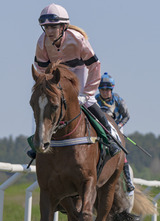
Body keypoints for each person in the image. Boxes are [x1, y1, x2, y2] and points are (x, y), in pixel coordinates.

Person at [29, 3, 121, 158]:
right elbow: (41, 69)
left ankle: (110, 137)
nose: (49, 31)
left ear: (64, 26)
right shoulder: (41, 42)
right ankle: (39, 140)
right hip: (56, 74)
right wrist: (46, 88)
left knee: (87, 101)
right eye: (46, 27)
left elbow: (94, 66)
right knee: (44, 102)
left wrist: (87, 93)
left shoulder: (77, 39)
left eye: (53, 27)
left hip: (80, 71)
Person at [96, 72, 134, 192]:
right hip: (99, 126)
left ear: (111, 89)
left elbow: (126, 116)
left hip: (116, 126)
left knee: (122, 152)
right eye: (102, 89)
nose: (105, 92)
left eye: (107, 89)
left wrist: (117, 126)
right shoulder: (95, 99)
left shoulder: (118, 100)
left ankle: (128, 181)